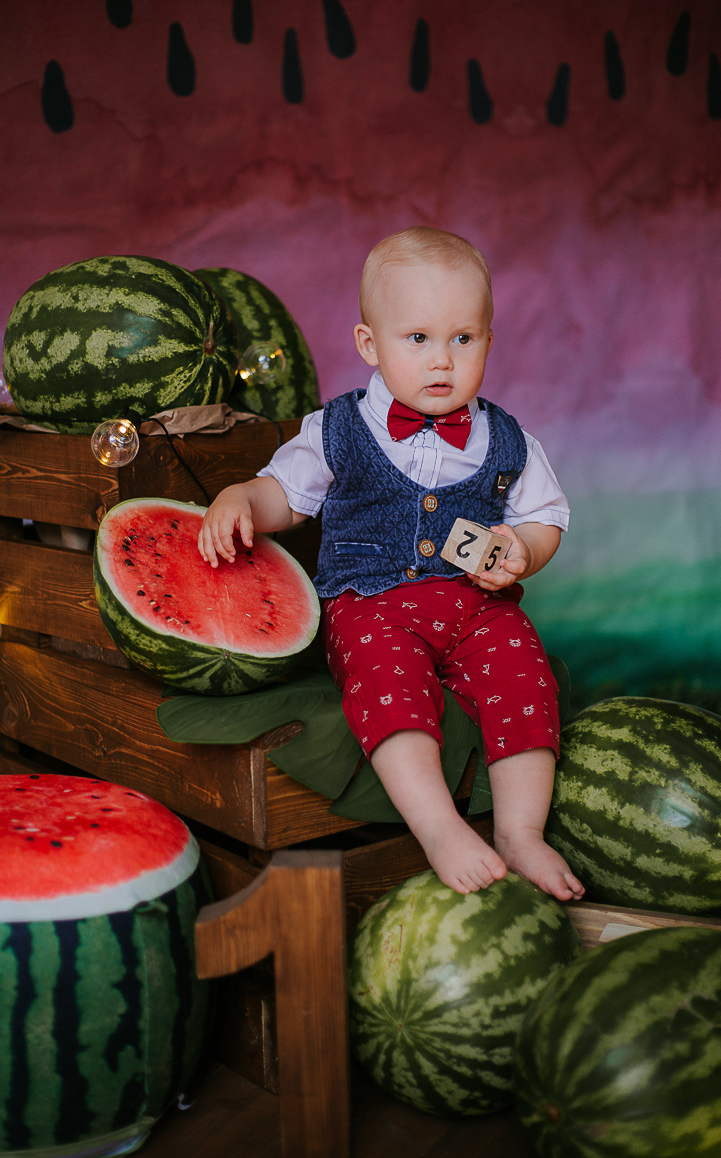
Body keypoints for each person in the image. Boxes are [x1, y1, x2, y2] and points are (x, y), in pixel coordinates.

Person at [198, 226, 584, 902]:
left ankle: (521, 832)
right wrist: (242, 499)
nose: (442, 361)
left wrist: (524, 550)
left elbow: (545, 516)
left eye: (463, 338)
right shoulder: (337, 429)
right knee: (387, 682)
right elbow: (286, 496)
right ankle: (438, 827)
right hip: (370, 605)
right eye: (418, 338)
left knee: (525, 668)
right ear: (370, 344)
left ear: (489, 341)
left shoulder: (509, 439)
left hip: (478, 606)